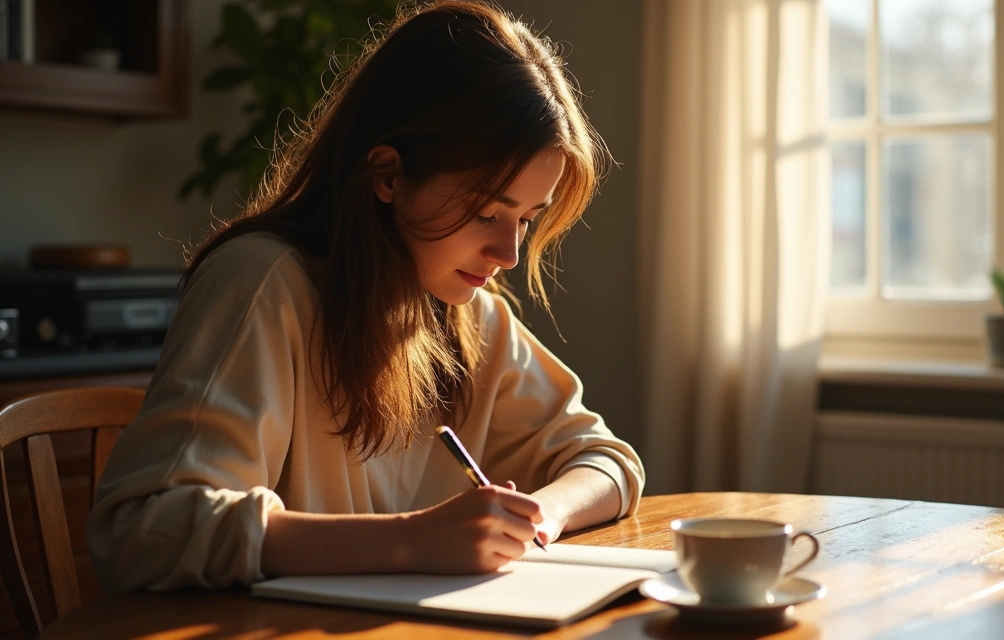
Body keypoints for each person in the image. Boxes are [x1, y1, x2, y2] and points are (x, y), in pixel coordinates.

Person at [86, 0, 643, 593]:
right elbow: (142, 530)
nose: (508, 253)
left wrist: (540, 517)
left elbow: (607, 461)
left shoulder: (465, 314)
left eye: (528, 218)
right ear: (387, 176)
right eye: (486, 212)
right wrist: (412, 540)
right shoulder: (262, 284)